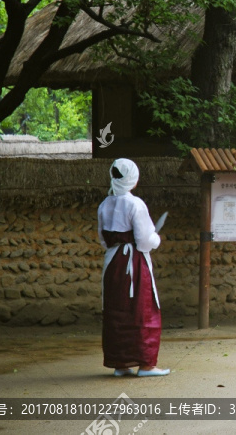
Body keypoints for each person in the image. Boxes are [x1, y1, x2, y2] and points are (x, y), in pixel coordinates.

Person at [97, 158, 169, 377]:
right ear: (132, 178)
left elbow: (102, 239)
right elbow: (145, 240)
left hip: (112, 263)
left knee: (117, 310)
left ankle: (121, 364)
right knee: (142, 309)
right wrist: (155, 238)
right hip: (133, 263)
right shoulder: (135, 204)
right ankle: (147, 364)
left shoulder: (104, 204)